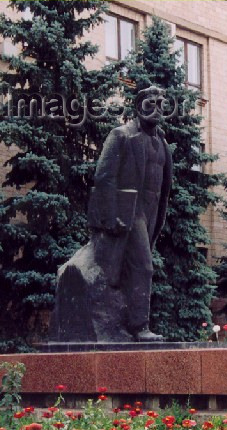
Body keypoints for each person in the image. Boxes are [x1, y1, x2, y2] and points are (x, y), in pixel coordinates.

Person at [87, 86, 173, 342]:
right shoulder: (122, 136)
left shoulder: (163, 145)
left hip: (151, 214)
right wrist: (111, 217)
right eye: (150, 103)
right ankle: (139, 326)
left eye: (160, 104)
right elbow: (104, 177)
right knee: (144, 267)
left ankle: (125, 324)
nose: (156, 109)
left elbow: (165, 188)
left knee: (132, 269)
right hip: (129, 212)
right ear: (138, 107)